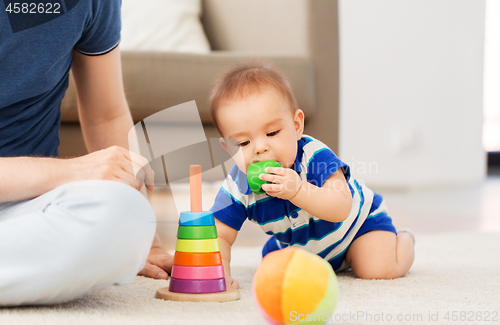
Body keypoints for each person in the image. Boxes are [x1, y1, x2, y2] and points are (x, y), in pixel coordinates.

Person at [0, 0, 172, 306]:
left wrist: (147, 242)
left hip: (26, 209)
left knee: (127, 213)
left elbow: (105, 115)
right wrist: (73, 171)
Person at [208, 63, 415, 288]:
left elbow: (341, 207)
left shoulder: (313, 156)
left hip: (356, 228)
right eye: (243, 143)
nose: (259, 148)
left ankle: (404, 240)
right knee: (274, 275)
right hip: (301, 246)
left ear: (296, 125)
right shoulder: (238, 185)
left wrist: (298, 190)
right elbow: (220, 234)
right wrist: (219, 276)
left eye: (272, 133)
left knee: (376, 269)